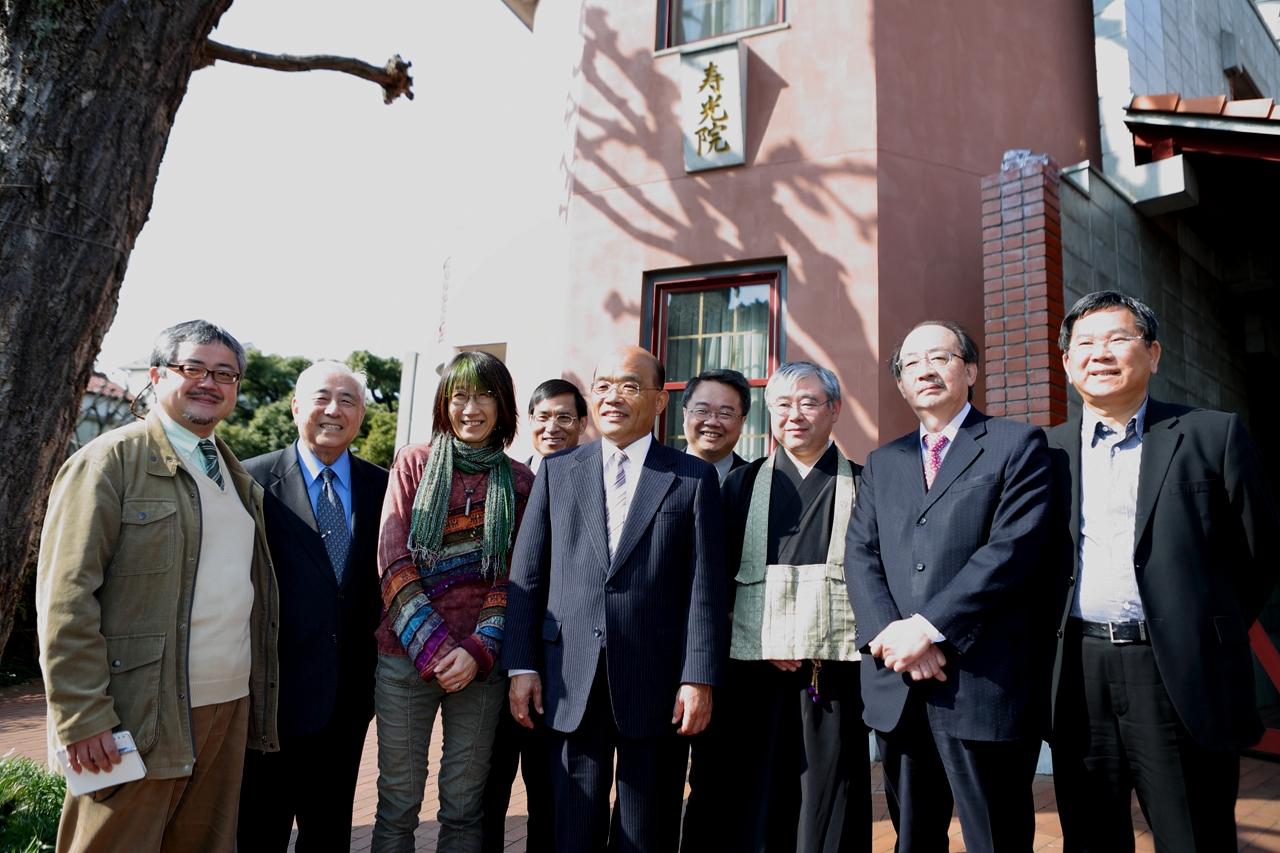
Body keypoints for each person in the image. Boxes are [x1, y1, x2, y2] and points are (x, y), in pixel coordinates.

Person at [1047, 291, 1280, 851]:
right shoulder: (1044, 452)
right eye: (1085, 343)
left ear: (1152, 355)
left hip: (1178, 667)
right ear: (1066, 364)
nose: (1099, 354)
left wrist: (1198, 622)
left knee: (1193, 834)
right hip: (1077, 673)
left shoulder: (1211, 433)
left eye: (1117, 339)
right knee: (1090, 833)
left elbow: (1261, 550)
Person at [36, 320, 279, 853]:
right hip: (136, 714)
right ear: (155, 375)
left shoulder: (236, 477)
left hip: (227, 708)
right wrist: (82, 717)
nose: (209, 383)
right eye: (192, 368)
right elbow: (65, 600)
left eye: (225, 373)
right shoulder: (108, 462)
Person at [504, 346, 726, 853]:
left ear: (658, 402)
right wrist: (521, 665)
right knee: (571, 831)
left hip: (658, 680)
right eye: (602, 385)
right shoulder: (559, 471)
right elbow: (529, 575)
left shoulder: (692, 478)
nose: (612, 397)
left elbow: (705, 589)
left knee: (647, 832)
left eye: (628, 385)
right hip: (567, 677)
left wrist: (698, 677)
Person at [845, 320, 1053, 852]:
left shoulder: (1017, 443)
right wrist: (893, 638)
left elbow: (1010, 551)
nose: (925, 370)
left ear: (971, 370)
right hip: (900, 683)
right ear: (900, 384)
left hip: (981, 677)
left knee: (996, 834)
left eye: (939, 357)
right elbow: (861, 555)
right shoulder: (882, 462)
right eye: (911, 363)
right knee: (912, 835)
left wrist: (929, 629)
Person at [697, 361, 870, 853]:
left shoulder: (863, 484)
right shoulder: (740, 486)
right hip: (753, 673)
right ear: (769, 414)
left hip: (833, 674)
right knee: (755, 797)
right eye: (783, 405)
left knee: (829, 798)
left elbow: (876, 575)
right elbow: (712, 579)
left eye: (809, 402)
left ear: (834, 410)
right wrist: (760, 629)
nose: (795, 415)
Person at [370, 351, 535, 851]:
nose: (471, 407)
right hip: (403, 656)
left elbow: (514, 577)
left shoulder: (521, 481)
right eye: (460, 395)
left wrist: (477, 650)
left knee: (465, 808)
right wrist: (438, 649)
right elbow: (393, 558)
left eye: (484, 394)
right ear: (445, 403)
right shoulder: (413, 462)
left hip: (481, 664)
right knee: (397, 803)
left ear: (502, 405)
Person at [236, 361, 390, 852]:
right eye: (322, 397)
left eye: (348, 400)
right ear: (296, 406)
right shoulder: (250, 480)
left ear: (362, 414)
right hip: (269, 696)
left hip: (347, 699)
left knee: (329, 833)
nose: (334, 410)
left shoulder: (383, 488)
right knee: (259, 829)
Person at [480, 378, 587, 853]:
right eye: (543, 417)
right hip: (492, 657)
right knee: (487, 785)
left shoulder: (598, 482)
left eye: (565, 416)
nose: (553, 426)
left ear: (583, 423)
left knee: (549, 789)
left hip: (559, 663)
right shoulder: (505, 478)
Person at [681, 368, 751, 482]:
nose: (712, 422)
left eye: (725, 413)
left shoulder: (757, 483)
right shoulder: (655, 473)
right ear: (685, 414)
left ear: (742, 421)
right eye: (702, 411)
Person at [525, 378, 589, 472]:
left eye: (564, 418)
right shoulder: (511, 481)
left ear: (582, 424)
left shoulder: (595, 481)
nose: (551, 429)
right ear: (530, 420)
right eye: (543, 417)